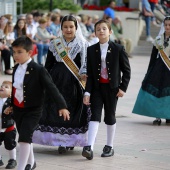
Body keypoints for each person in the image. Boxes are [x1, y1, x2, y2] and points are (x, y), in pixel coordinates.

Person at [33, 15, 90, 153]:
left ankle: (69, 141)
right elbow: (48, 65)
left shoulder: (83, 44)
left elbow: (86, 65)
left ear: (76, 28)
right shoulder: (55, 44)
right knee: (55, 109)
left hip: (75, 83)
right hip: (56, 81)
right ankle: (59, 141)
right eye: (65, 27)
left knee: (73, 110)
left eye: (71, 26)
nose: (68, 29)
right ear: (61, 28)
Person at [10, 36, 70, 170]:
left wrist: (62, 106)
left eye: (19, 52)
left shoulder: (38, 69)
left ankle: (21, 167)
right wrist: (10, 105)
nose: (16, 55)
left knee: (24, 137)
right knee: (25, 136)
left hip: (33, 110)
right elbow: (16, 89)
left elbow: (52, 87)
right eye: (14, 52)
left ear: (29, 52)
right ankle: (31, 162)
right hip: (19, 109)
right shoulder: (15, 69)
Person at [82, 19, 131, 160]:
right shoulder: (91, 50)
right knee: (94, 115)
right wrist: (87, 92)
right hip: (97, 88)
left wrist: (123, 87)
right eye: (98, 29)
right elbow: (90, 74)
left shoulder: (118, 49)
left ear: (110, 31)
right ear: (95, 33)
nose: (101, 31)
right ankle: (89, 147)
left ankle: (109, 146)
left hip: (112, 89)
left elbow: (126, 70)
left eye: (104, 28)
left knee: (110, 116)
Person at [132, 16, 170, 125]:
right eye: (166, 25)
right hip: (158, 69)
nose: (167, 27)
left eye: (169, 25)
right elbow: (153, 58)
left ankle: (168, 116)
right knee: (157, 93)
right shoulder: (158, 40)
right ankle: (157, 116)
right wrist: (148, 73)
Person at [0, 81, 17, 169]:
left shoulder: (11, 103)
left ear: (11, 93)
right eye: (2, 86)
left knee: (10, 144)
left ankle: (12, 159)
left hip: (8, 128)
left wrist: (11, 110)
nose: (2, 87)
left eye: (6, 87)